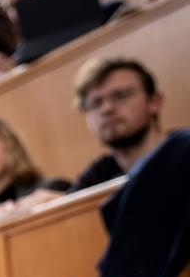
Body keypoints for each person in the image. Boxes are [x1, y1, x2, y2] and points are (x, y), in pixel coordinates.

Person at [72, 56, 170, 190]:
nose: (107, 108)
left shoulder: (184, 151)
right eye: (95, 103)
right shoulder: (97, 176)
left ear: (154, 102)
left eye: (121, 95)